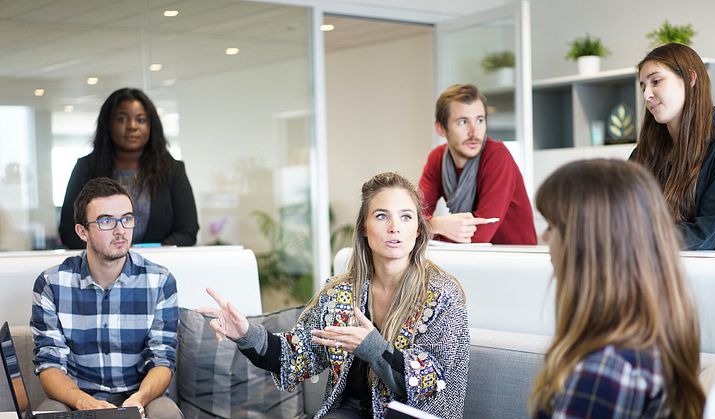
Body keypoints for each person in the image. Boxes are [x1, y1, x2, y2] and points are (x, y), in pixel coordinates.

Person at [197, 172, 469, 418]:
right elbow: (298, 354)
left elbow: (432, 381)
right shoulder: (340, 292)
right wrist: (246, 334)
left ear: (418, 229)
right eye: (382, 215)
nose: (394, 227)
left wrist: (374, 348)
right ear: (364, 227)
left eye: (406, 216)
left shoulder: (443, 294)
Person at [529, 159, 705, 418]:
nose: (543, 238)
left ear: (587, 244)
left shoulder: (604, 372)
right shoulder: (650, 344)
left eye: (552, 226)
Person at [32, 177, 182, 418]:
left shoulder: (160, 281)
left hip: (139, 394)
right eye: (106, 221)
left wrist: (138, 401)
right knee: (48, 413)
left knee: (166, 414)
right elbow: (49, 365)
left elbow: (162, 359)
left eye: (127, 219)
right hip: (77, 397)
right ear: (82, 231)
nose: (120, 230)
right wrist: (84, 403)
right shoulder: (51, 284)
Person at [630, 43, 715, 349]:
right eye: (644, 85)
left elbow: (706, 233)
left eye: (656, 81)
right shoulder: (645, 153)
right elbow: (622, 215)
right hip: (660, 287)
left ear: (690, 78)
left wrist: (632, 239)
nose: (647, 95)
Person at [59, 87, 199, 249]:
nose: (132, 126)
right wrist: (111, 254)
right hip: (100, 268)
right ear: (108, 124)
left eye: (141, 120)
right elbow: (69, 232)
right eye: (122, 119)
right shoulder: (86, 168)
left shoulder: (172, 170)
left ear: (151, 126)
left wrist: (146, 257)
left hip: (158, 267)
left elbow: (187, 231)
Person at [418, 83, 536, 244]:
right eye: (463, 122)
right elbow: (413, 217)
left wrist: (429, 227)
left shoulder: (497, 156)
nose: (474, 132)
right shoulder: (437, 158)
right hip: (472, 258)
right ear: (441, 129)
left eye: (479, 120)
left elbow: (479, 235)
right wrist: (436, 224)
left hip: (514, 260)